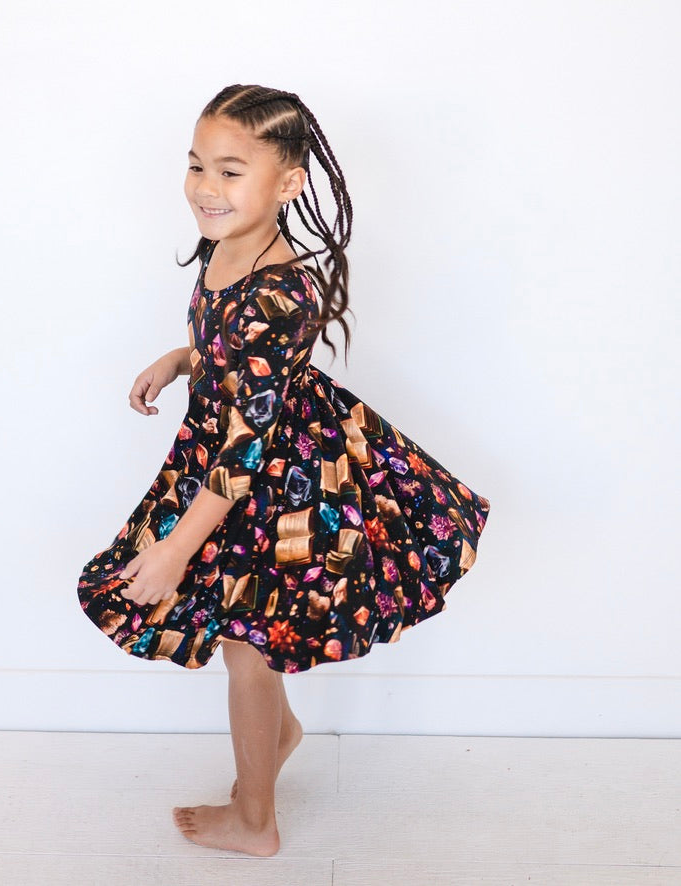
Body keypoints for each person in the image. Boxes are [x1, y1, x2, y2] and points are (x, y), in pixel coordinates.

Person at [76, 83, 492, 857]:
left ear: (288, 180)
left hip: (272, 479)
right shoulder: (227, 245)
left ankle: (256, 821)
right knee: (248, 640)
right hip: (243, 453)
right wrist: (182, 360)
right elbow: (238, 356)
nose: (206, 187)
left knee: (248, 646)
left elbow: (243, 453)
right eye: (197, 165)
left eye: (231, 171)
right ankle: (279, 738)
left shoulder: (280, 288)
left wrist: (176, 548)